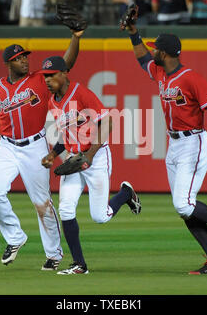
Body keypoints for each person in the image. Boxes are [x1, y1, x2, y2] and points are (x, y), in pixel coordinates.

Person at [0, 28, 84, 271]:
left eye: (25, 56)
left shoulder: (39, 80)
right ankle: (15, 238)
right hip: (6, 147)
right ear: (8, 63)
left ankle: (54, 254)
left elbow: (65, 64)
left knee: (42, 202)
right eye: (19, 58)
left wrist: (75, 38)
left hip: (34, 145)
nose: (25, 60)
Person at [123, 19, 207, 274]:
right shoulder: (160, 72)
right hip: (174, 145)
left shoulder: (190, 78)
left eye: (156, 49)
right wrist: (133, 33)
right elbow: (142, 59)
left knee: (183, 204)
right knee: (185, 209)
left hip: (194, 142)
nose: (152, 52)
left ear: (164, 53)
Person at [40, 56, 142, 275]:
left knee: (100, 216)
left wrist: (91, 154)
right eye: (45, 77)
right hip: (74, 160)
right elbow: (64, 136)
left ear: (64, 73)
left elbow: (108, 122)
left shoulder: (82, 93)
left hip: (96, 157)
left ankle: (126, 193)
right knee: (66, 208)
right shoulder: (52, 102)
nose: (48, 80)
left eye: (52, 75)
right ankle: (79, 265)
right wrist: (52, 154)